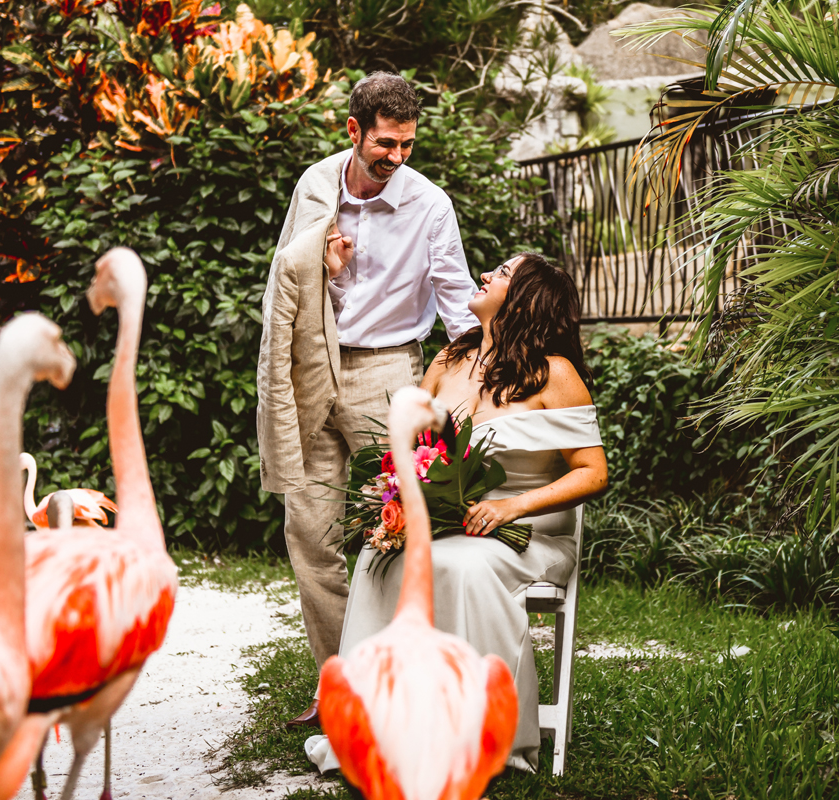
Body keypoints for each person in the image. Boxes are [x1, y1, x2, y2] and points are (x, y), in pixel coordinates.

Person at [307, 252, 608, 772]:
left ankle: (481, 733)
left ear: (526, 299)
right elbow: (413, 441)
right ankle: (384, 725)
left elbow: (592, 473)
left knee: (460, 567)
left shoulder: (554, 375)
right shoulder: (449, 359)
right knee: (379, 560)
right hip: (450, 522)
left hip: (527, 530)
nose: (487, 274)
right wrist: (397, 495)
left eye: (504, 273)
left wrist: (511, 506)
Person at [255, 72, 478, 727]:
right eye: (386, 143)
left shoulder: (429, 205)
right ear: (353, 130)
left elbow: (457, 297)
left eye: (408, 144)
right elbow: (283, 274)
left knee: (395, 531)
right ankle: (337, 688)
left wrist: (482, 376)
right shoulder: (315, 186)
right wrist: (321, 269)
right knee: (310, 533)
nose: (398, 157)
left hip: (386, 374)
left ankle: (397, 684)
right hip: (310, 371)